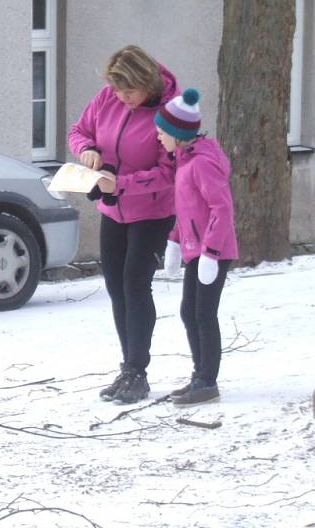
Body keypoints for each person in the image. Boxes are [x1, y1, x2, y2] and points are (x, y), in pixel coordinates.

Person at [68, 45, 178, 404]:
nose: (121, 98)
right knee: (116, 287)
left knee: (135, 284)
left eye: (128, 92)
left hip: (153, 212)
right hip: (113, 209)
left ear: (147, 84)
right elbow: (78, 130)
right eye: (117, 91)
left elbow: (169, 172)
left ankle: (138, 370)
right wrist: (86, 149)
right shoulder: (107, 98)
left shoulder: (169, 112)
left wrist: (124, 184)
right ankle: (127, 367)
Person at [156, 88, 239, 407]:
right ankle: (199, 375)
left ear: (178, 134)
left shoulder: (202, 163)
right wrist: (175, 240)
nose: (159, 137)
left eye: (162, 132)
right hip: (196, 249)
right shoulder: (185, 159)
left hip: (212, 253)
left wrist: (212, 253)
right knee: (189, 312)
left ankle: (207, 381)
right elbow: (188, 208)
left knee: (203, 314)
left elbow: (222, 209)